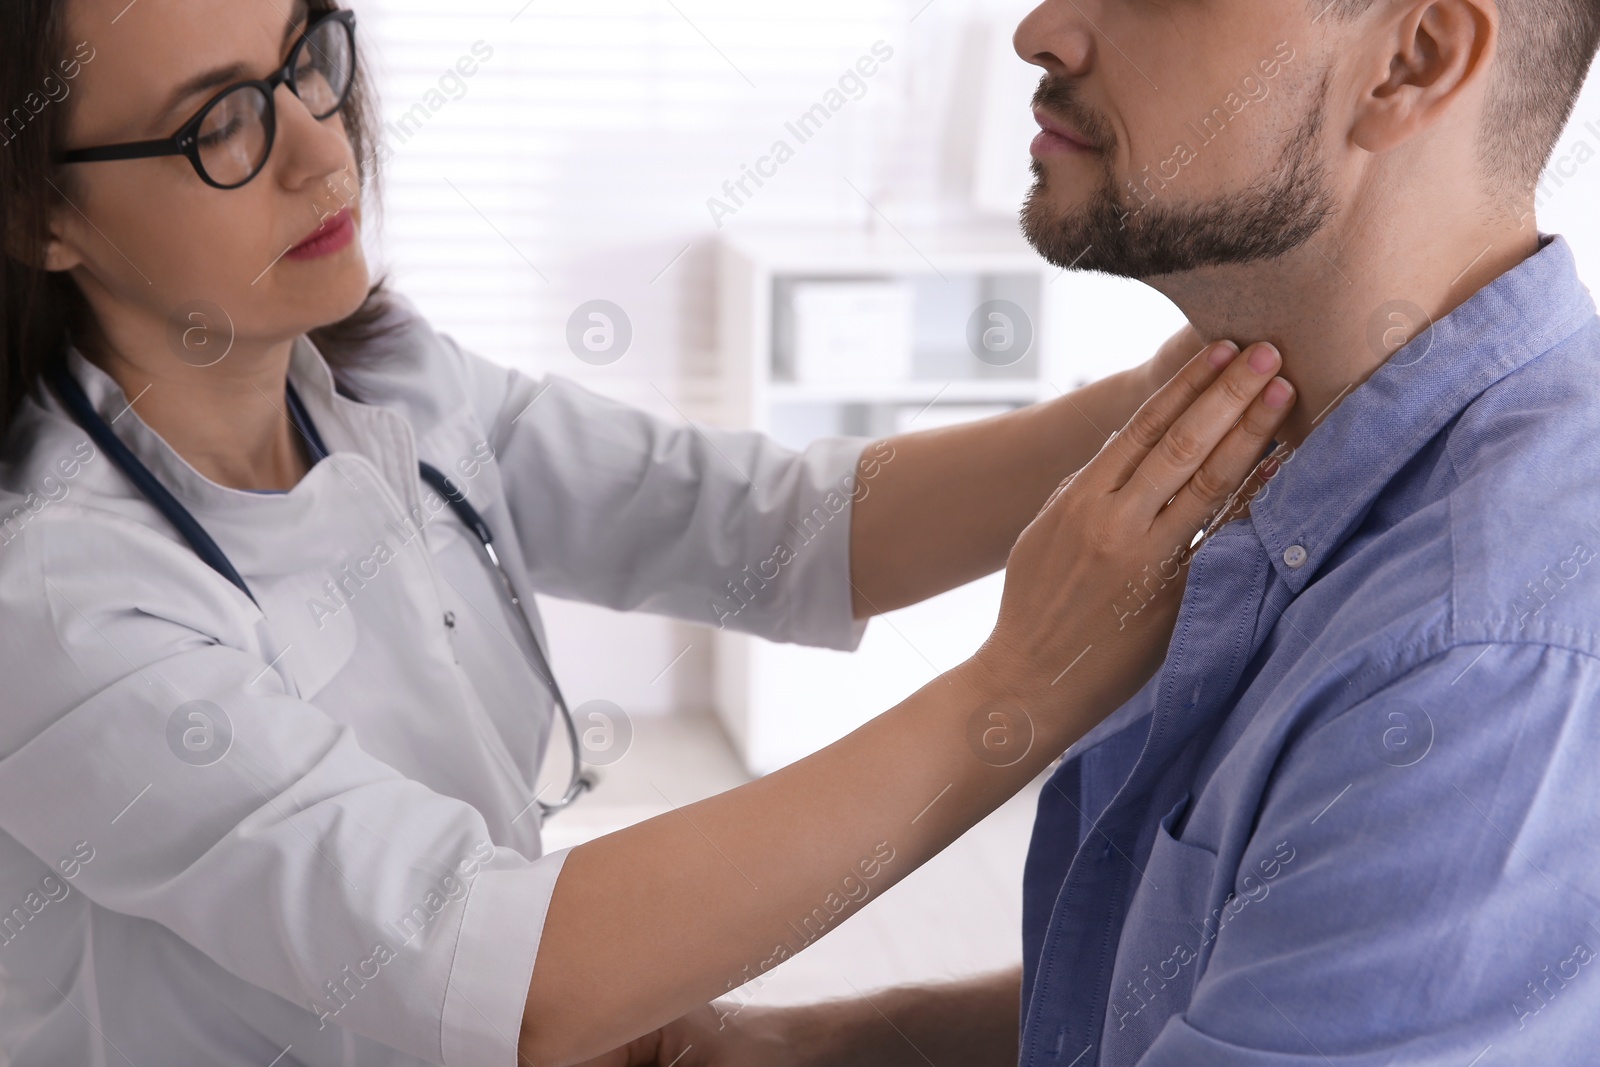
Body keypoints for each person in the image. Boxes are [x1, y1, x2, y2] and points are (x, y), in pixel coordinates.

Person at [0, 1, 1298, 1064]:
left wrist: (1175, 398)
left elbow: (773, 526)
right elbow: (504, 966)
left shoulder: (382, 382)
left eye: (309, 59)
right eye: (219, 125)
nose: (321, 151)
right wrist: (1015, 690)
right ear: (38, 213)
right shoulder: (57, 602)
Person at [665, 0, 1600, 1063]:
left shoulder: (1482, 658)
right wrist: (816, 1044)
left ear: (1408, 65)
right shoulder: (1310, 463)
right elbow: (1216, 972)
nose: (1041, 30)